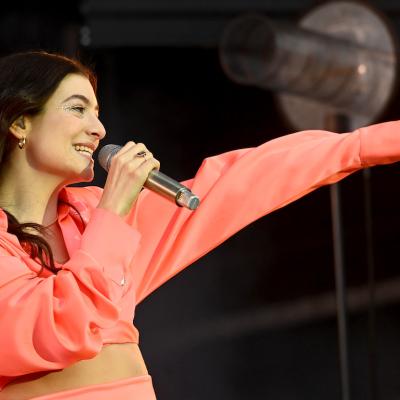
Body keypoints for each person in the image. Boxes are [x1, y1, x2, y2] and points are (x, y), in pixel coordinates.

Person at [0, 50, 399, 400]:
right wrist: (113, 211)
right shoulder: (103, 219)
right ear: (20, 122)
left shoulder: (94, 216)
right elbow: (60, 327)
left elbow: (240, 181)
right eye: (77, 108)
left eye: (98, 113)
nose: (99, 130)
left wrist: (364, 145)